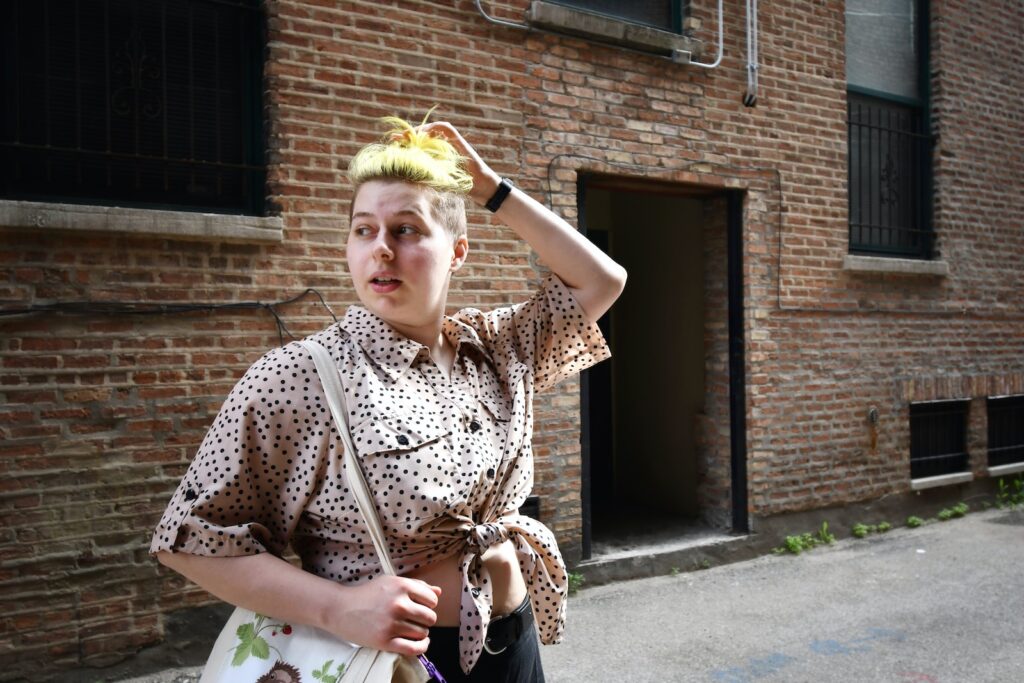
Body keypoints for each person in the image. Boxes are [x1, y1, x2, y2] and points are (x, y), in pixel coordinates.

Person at [151, 114, 626, 682]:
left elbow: (601, 280)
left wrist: (489, 188)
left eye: (405, 229)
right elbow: (188, 540)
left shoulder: (497, 348)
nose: (381, 250)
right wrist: (338, 608)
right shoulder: (302, 375)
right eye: (363, 230)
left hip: (513, 637)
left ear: (457, 251)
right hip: (396, 662)